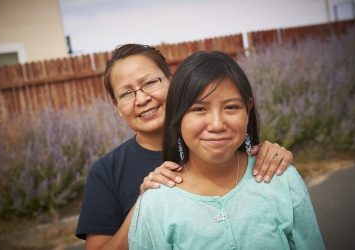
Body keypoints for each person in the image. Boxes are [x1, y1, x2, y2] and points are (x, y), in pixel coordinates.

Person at [76, 44, 294, 249]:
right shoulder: (106, 172)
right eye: (125, 94)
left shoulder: (217, 140)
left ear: (172, 81)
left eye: (150, 83)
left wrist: (269, 154)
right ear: (117, 107)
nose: (141, 99)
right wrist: (144, 205)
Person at [128, 50, 325, 249]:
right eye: (199, 109)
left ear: (248, 109)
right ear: (177, 116)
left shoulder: (280, 179)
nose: (216, 124)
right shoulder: (156, 205)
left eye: (230, 107)